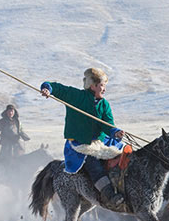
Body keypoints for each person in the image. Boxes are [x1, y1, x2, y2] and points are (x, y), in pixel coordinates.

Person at [40, 68, 126, 208]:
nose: (104, 89)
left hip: (101, 143)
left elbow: (108, 124)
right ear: (93, 85)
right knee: (94, 164)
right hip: (80, 145)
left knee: (124, 157)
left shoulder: (104, 104)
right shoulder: (76, 96)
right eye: (102, 85)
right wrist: (47, 88)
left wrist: (115, 132)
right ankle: (109, 195)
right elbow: (57, 88)